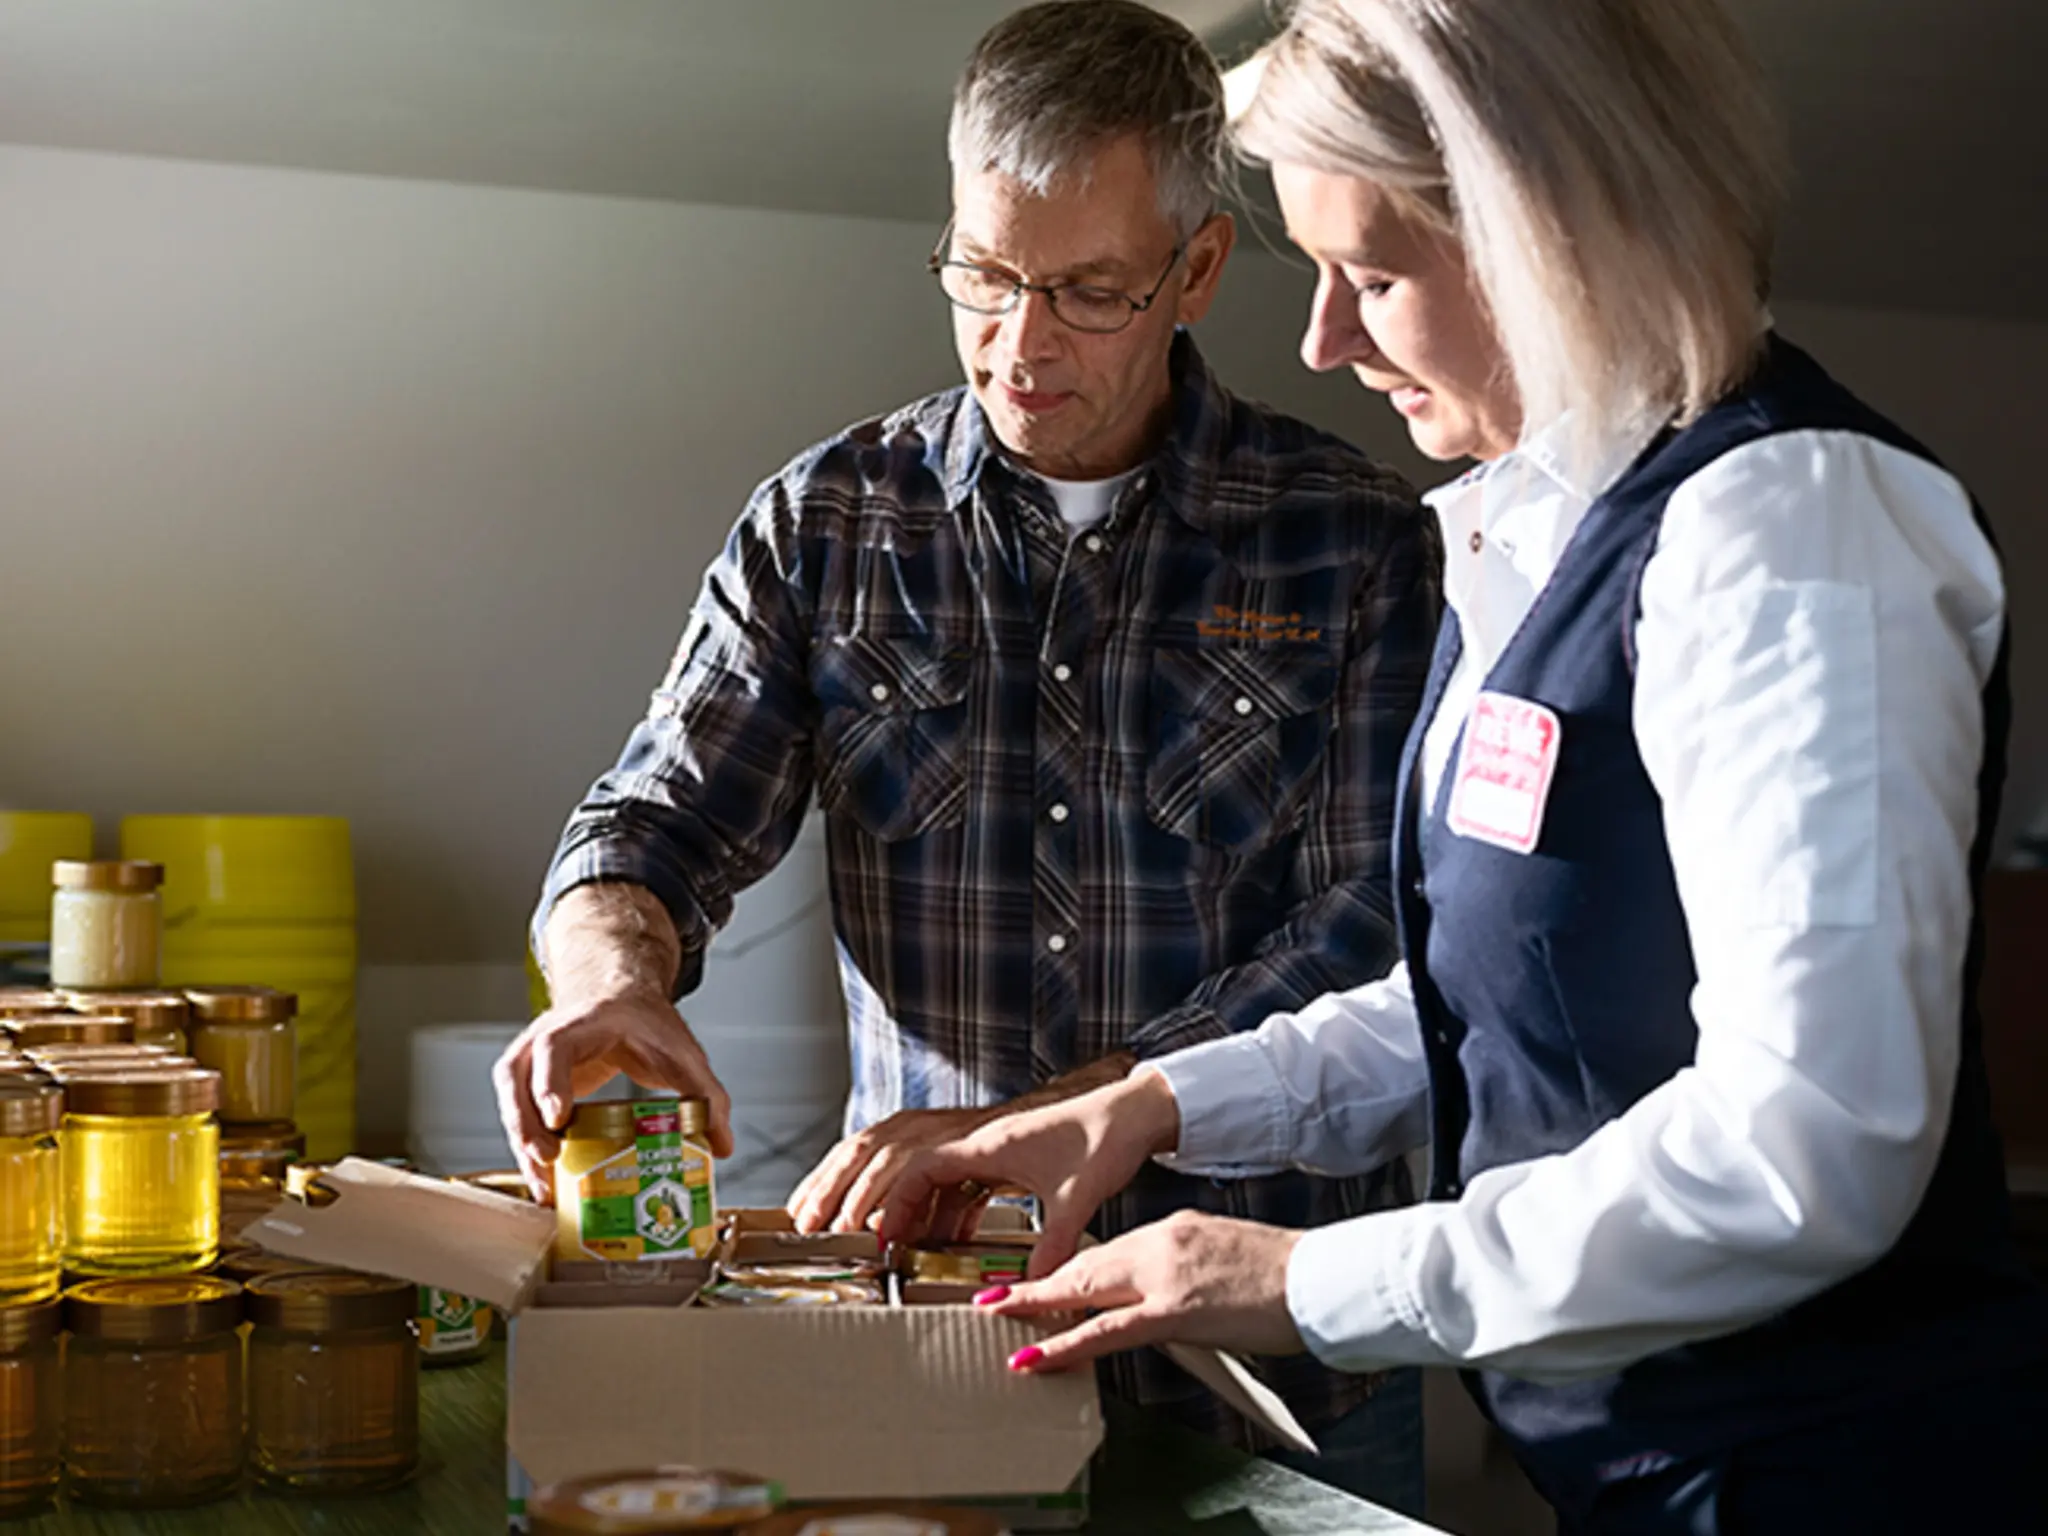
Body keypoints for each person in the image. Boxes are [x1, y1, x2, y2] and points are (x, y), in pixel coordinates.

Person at [875, 0, 2048, 1529]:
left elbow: (1808, 1147)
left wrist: (1305, 1277)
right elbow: (1489, 1003)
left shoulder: (1789, 531)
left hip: (1831, 1476)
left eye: (1372, 276)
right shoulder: (1534, 539)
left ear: (1555, 230)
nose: (1324, 342)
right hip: (1641, 1470)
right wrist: (1153, 1108)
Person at [492, 0, 1440, 1510]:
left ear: (1198, 269)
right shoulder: (828, 525)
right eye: (983, 274)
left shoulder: (1359, 542)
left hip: (1269, 1356)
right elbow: (652, 823)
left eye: (1088, 291)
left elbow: (1369, 936)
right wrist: (611, 984)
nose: (1020, 342)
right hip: (939, 1337)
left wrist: (1023, 1124)